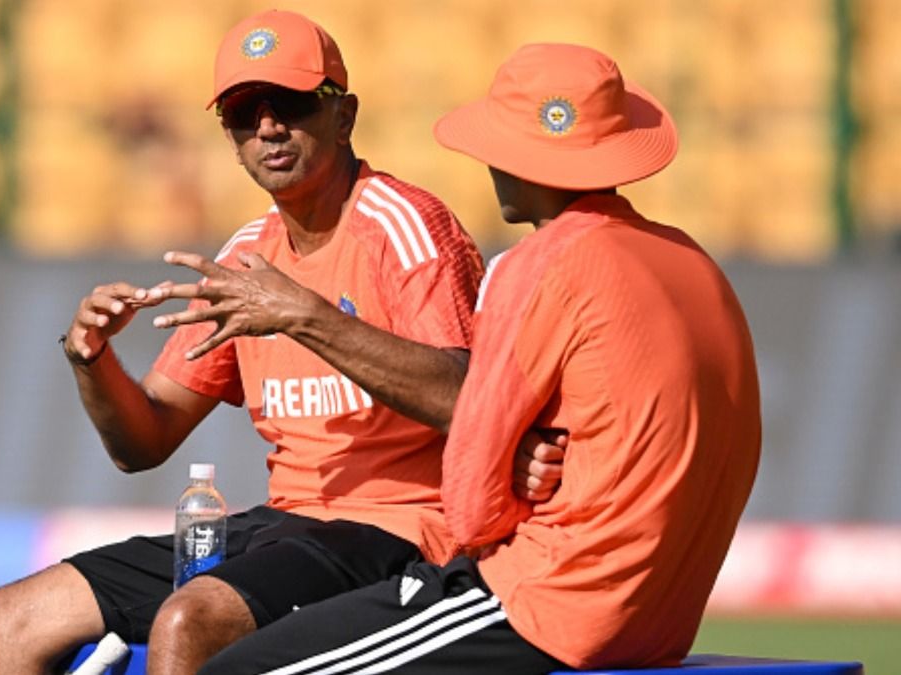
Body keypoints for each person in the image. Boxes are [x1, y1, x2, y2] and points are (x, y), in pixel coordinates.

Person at [0, 12, 566, 675]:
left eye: (289, 104)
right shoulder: (247, 255)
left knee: (189, 620)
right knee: (13, 614)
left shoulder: (405, 226)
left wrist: (303, 314)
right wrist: (91, 359)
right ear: (230, 139)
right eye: (243, 113)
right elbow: (144, 443)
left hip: (404, 530)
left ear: (344, 116)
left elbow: (466, 396)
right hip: (287, 523)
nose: (268, 127)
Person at [199, 42, 762, 674]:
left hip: (548, 601)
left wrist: (515, 484)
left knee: (234, 669)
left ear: (517, 161)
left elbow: (469, 500)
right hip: (664, 617)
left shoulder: (537, 264)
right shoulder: (692, 260)